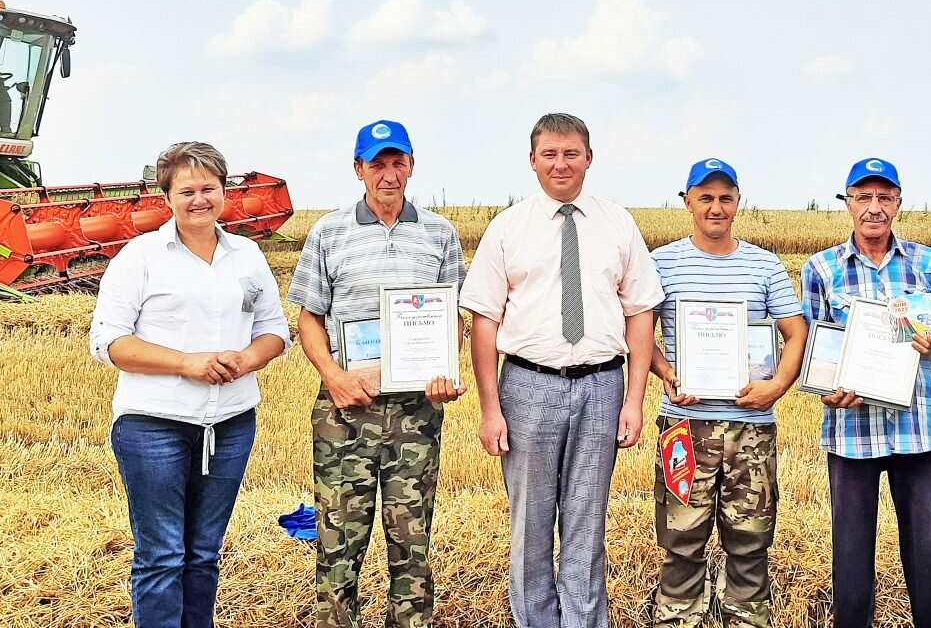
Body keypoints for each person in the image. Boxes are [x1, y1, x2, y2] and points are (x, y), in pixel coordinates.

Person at [460, 112, 664, 628]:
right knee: (530, 526)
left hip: (602, 386)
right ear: (532, 161)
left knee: (586, 524)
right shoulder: (508, 227)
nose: (561, 163)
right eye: (549, 154)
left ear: (589, 158)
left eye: (571, 153)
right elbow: (483, 322)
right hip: (528, 386)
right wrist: (490, 410)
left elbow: (641, 312)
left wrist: (634, 400)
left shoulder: (618, 223)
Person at [88, 141, 290, 627]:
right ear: (167, 197)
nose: (199, 199)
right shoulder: (141, 256)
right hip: (153, 425)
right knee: (162, 555)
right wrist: (187, 363)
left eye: (209, 188)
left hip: (231, 423)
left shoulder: (247, 255)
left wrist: (247, 357)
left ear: (224, 191)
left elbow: (275, 329)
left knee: (203, 553)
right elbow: (108, 342)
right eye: (186, 191)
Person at [286, 120, 468, 627]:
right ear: (358, 169)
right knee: (339, 540)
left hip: (415, 411)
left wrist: (443, 370)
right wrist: (334, 377)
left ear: (411, 166)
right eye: (377, 164)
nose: (388, 174)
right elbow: (308, 317)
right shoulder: (329, 232)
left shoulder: (439, 233)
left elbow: (451, 313)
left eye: (397, 162)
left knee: (411, 542)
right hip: (346, 408)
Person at [800, 157, 931, 628]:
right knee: (850, 555)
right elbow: (815, 346)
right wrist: (828, 388)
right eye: (863, 197)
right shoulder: (822, 269)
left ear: (898, 203)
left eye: (884, 197)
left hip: (920, 429)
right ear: (847, 202)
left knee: (929, 552)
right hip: (851, 431)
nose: (874, 207)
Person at [648, 158, 808, 627]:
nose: (716, 207)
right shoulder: (662, 262)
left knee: (751, 539)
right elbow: (634, 332)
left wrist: (777, 385)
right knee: (680, 539)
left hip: (751, 427)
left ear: (738, 201)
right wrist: (666, 371)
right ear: (687, 201)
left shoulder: (764, 265)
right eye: (705, 197)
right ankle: (677, 617)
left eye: (725, 197)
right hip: (684, 425)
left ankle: (747, 618)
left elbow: (795, 332)